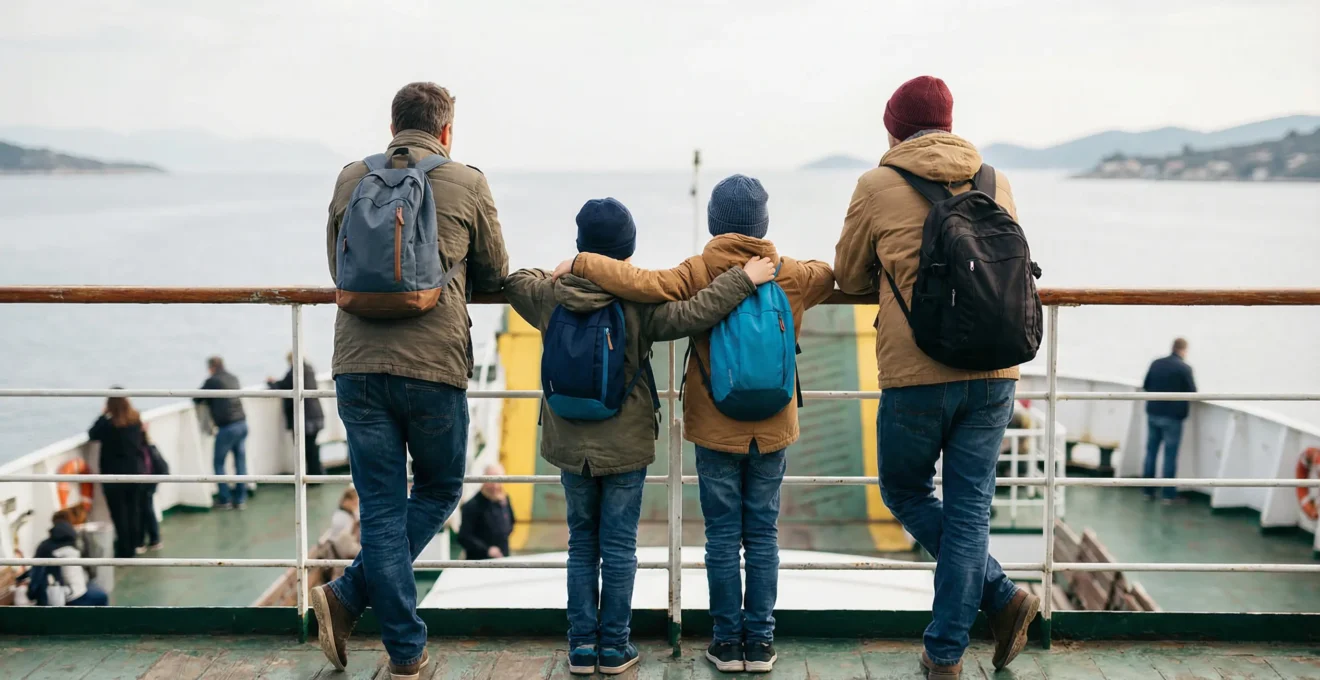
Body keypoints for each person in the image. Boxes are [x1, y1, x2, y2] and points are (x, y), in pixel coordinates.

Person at [555, 177, 835, 674]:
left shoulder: (698, 270)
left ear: (713, 222)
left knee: (723, 536)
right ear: (763, 223)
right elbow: (832, 274)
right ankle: (761, 643)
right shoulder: (789, 274)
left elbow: (643, 284)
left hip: (714, 424)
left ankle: (726, 643)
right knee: (763, 534)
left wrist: (581, 263)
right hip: (773, 424)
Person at [508, 197, 770, 675]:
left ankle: (581, 648)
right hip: (625, 445)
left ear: (581, 245)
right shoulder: (637, 304)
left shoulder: (547, 297)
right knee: (618, 546)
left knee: (581, 543)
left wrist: (559, 271)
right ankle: (614, 648)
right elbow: (694, 313)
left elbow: (511, 279)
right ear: (626, 255)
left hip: (568, 444)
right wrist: (740, 281)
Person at [832, 75, 1039, 679]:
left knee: (903, 489)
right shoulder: (996, 180)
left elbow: (847, 274)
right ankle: (965, 632)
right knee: (971, 508)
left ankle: (984, 613)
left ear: (894, 127)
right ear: (949, 123)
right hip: (997, 364)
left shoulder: (876, 184)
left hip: (918, 370)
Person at [310, 81, 508, 679]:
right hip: (432, 365)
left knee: (380, 504)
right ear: (446, 131)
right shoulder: (467, 181)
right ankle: (360, 610)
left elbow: (335, 265)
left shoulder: (351, 179)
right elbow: (494, 270)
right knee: (442, 487)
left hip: (357, 364)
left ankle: (392, 638)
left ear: (393, 125)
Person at [89, 393, 147, 558]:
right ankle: (136, 543)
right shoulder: (135, 421)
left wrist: (103, 414)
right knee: (134, 511)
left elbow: (92, 434)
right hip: (136, 472)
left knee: (119, 514)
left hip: (114, 475)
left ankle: (125, 550)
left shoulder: (108, 425)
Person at [1142, 338, 1197, 503]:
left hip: (1153, 414)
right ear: (1183, 350)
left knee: (1151, 453)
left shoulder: (1156, 363)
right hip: (1172, 418)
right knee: (1169, 456)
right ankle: (1167, 494)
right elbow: (1192, 392)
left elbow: (1146, 385)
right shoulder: (1184, 368)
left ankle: (1147, 491)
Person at [195, 356, 249, 510]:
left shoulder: (212, 381)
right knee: (240, 463)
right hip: (242, 424)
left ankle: (224, 499)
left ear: (211, 367)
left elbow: (197, 398)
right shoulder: (233, 378)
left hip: (227, 428)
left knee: (218, 463)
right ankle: (240, 499)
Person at [26, 512, 109, 606]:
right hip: (72, 593)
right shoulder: (72, 545)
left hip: (63, 592)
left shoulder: (44, 546)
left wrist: (31, 594)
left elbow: (36, 573)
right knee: (102, 597)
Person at [268, 353, 327, 476]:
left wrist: (271, 383)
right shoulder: (309, 369)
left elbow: (283, 386)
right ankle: (317, 473)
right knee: (312, 447)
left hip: (304, 417)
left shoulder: (295, 371)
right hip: (316, 414)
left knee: (305, 449)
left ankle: (313, 475)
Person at [457, 463, 514, 561]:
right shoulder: (472, 505)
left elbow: (512, 521)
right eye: (492, 481)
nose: (496, 486)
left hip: (503, 556)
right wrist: (487, 550)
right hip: (480, 561)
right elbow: (464, 537)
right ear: (484, 480)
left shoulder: (504, 499)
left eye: (499, 481)